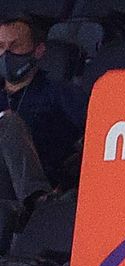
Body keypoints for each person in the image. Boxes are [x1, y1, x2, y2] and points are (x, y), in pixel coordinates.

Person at [0, 16, 87, 188]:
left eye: (15, 46)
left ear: (38, 50)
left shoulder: (61, 93)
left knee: (9, 122)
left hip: (47, 183)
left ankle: (35, 195)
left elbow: (93, 135)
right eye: (0, 47)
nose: (6, 54)